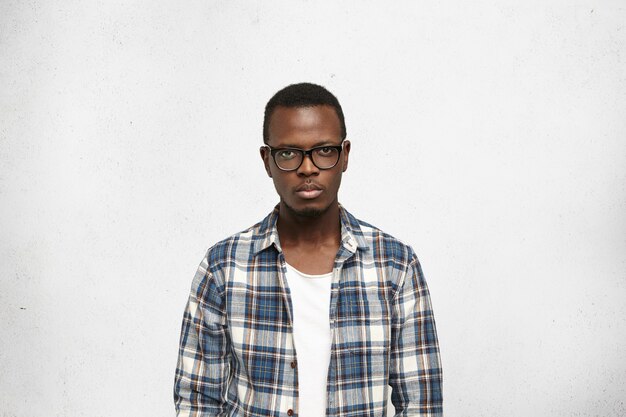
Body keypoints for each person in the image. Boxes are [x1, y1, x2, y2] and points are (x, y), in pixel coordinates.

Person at [174, 82, 443, 416]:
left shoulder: (396, 266)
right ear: (266, 160)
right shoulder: (222, 268)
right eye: (288, 153)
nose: (307, 167)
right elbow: (197, 400)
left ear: (344, 155)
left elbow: (421, 404)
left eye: (324, 151)